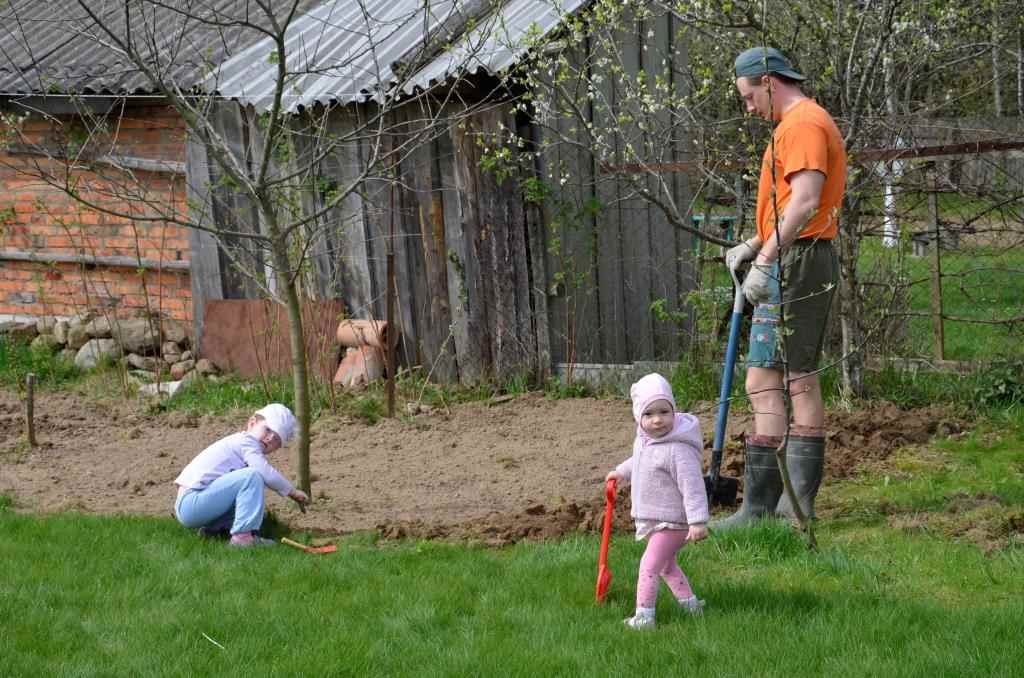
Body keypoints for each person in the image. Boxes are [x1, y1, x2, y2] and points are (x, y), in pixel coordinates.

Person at [714, 47, 846, 530]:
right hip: (789, 254)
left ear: (769, 81)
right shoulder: (791, 126)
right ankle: (764, 507)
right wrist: (752, 244)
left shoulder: (805, 124)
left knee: (796, 377)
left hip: (801, 260)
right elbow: (787, 204)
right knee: (768, 379)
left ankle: (787, 507)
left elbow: (808, 201)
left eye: (749, 97)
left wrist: (766, 260)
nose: (749, 108)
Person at [606, 373, 710, 630]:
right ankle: (691, 606)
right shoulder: (646, 440)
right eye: (649, 414)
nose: (657, 419)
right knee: (666, 566)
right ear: (638, 418)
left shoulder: (678, 449)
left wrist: (697, 521)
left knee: (649, 565)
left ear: (674, 410)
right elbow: (640, 461)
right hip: (659, 519)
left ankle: (644, 617)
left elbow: (693, 485)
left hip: (674, 522)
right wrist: (621, 471)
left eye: (664, 411)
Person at [173, 403, 309, 547]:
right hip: (192, 503)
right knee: (252, 476)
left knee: (247, 496)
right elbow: (264, 472)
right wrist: (292, 492)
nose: (270, 438)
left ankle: (216, 530)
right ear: (252, 423)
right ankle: (243, 539)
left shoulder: (242, 446)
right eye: (267, 430)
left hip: (194, 504)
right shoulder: (247, 442)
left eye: (276, 439)